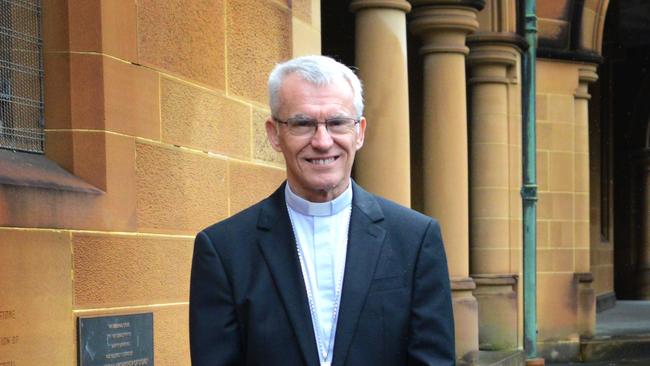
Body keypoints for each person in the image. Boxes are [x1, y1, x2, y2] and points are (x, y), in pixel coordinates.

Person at [189, 55, 455, 366]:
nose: (322, 141)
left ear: (359, 132)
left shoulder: (415, 239)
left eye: (337, 122)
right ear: (274, 134)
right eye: (302, 123)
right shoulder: (224, 250)